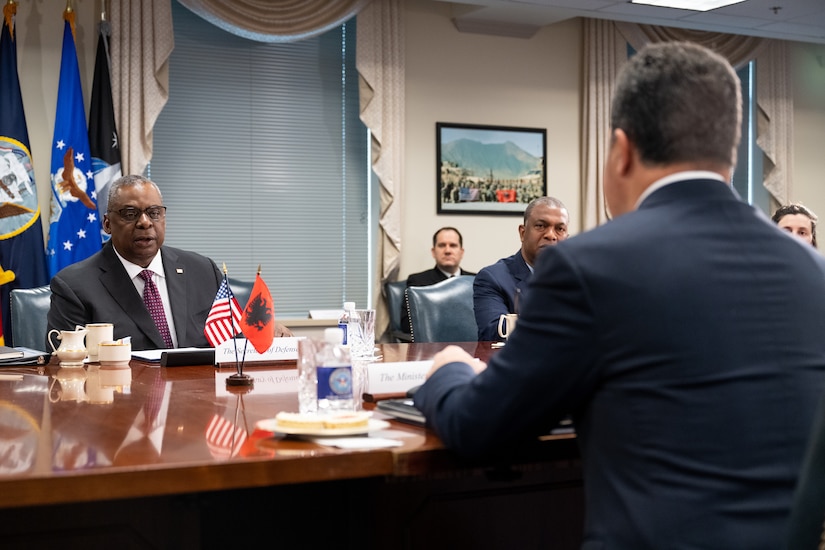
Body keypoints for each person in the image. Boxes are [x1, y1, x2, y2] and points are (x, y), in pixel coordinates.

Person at [414, 42, 825, 549]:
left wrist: (448, 369)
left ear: (621, 151)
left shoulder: (586, 266)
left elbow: (480, 429)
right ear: (730, 153)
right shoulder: (816, 273)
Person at [47, 175, 292, 351]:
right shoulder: (74, 286)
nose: (145, 222)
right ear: (107, 224)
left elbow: (236, 340)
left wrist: (266, 331)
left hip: (198, 407)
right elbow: (65, 368)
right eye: (130, 214)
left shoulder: (203, 271)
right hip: (120, 409)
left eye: (154, 212)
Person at [473, 196, 568, 341]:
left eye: (559, 229)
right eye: (541, 226)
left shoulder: (578, 279)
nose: (550, 235)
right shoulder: (493, 278)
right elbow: (495, 332)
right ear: (523, 233)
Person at [400, 227, 476, 335]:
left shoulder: (476, 281)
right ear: (433, 252)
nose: (448, 251)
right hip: (433, 347)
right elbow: (407, 324)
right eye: (442, 245)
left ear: (461, 252)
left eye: (453, 245)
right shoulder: (418, 282)